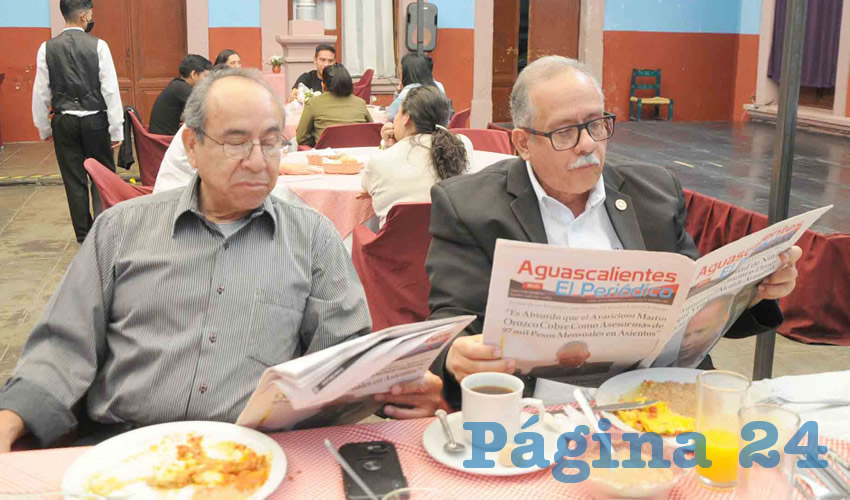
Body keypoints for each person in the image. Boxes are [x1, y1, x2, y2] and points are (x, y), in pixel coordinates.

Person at [0, 69, 443, 452]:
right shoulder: (121, 230)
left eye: (272, 144)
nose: (257, 162)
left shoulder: (312, 237)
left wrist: (389, 385)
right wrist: (14, 415)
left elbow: (342, 362)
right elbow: (63, 345)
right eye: (236, 143)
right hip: (122, 451)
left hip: (257, 455)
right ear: (191, 147)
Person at [424, 56, 803, 407]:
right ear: (523, 142)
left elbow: (693, 311)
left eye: (595, 124)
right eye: (565, 133)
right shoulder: (470, 206)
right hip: (539, 410)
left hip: (659, 402)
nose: (587, 144)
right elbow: (451, 324)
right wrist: (456, 353)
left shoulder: (654, 194)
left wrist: (751, 292)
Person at [31, 0, 124, 244]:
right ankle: (103, 232)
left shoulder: (46, 48)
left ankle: (83, 236)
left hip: (64, 122)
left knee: (74, 180)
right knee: (102, 176)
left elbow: (41, 92)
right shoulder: (99, 46)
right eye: (91, 14)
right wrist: (117, 128)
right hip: (95, 120)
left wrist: (43, 127)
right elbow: (110, 90)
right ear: (84, 16)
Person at [361, 86, 472, 228]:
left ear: (407, 117)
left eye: (398, 113)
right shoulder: (462, 145)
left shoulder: (378, 161)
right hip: (449, 245)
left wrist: (387, 147)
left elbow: (366, 185)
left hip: (394, 248)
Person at [296, 64, 372, 147]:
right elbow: (372, 131)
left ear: (323, 85)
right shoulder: (360, 103)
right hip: (357, 155)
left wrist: (316, 143)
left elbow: (301, 138)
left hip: (325, 156)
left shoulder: (313, 103)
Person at [148, 54, 212, 135]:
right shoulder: (182, 89)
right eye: (205, 76)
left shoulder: (177, 85)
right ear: (194, 74)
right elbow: (207, 109)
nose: (208, 80)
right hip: (164, 141)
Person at [385, 54, 445, 121]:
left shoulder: (408, 91)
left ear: (408, 71)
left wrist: (399, 93)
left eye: (401, 68)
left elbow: (390, 115)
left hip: (417, 130)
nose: (400, 71)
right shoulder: (439, 86)